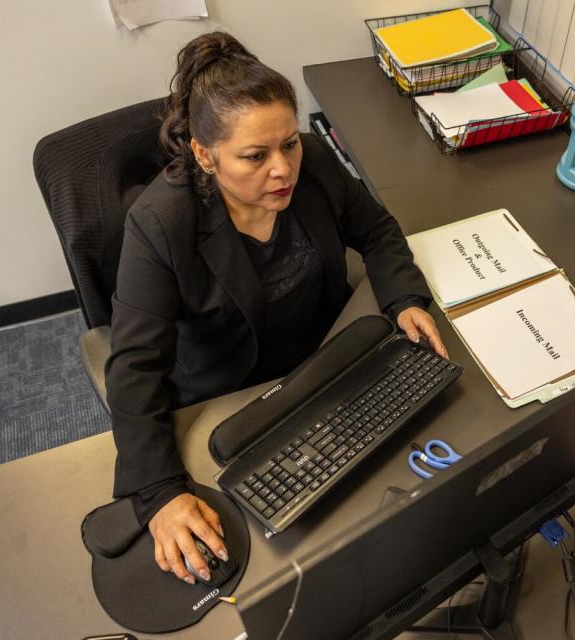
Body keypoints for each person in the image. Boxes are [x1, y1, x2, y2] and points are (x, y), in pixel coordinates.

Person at [105, 31, 447, 586]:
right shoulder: (161, 222)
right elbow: (134, 366)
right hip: (230, 395)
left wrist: (404, 298)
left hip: (328, 364)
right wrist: (160, 492)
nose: (283, 168)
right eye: (255, 156)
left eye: (288, 143)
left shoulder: (310, 163)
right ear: (203, 153)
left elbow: (377, 230)